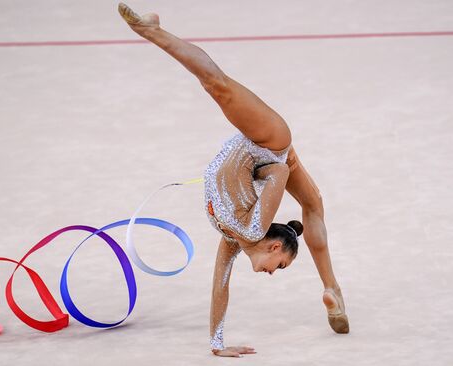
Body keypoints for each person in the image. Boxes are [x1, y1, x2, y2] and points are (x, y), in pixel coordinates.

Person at [118, 3, 349, 357]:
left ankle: (334, 293)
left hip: (265, 148)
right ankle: (150, 30)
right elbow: (281, 170)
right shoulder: (253, 230)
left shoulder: (233, 238)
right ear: (274, 247)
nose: (275, 273)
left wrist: (217, 345)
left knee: (314, 203)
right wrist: (262, 168)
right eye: (281, 265)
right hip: (267, 142)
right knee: (217, 85)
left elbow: (219, 288)